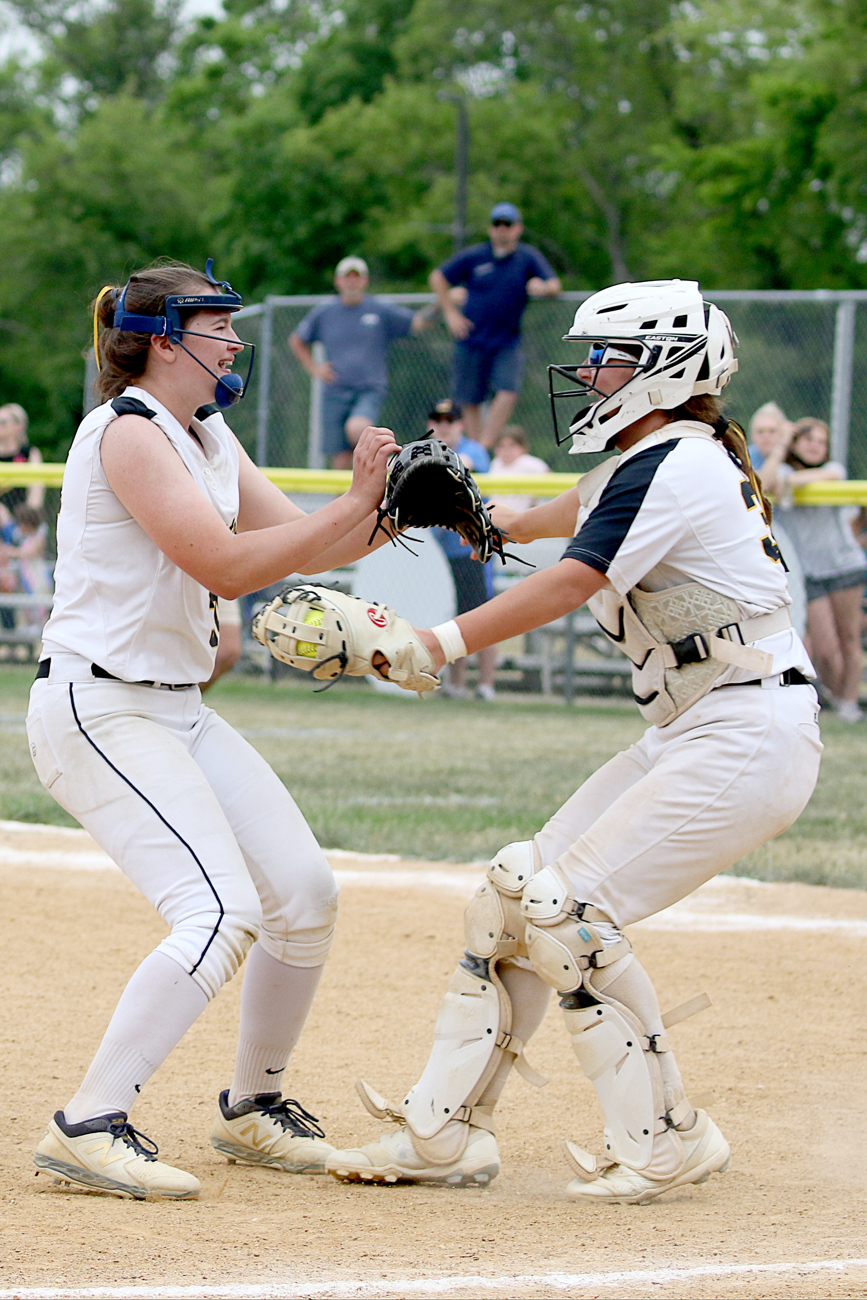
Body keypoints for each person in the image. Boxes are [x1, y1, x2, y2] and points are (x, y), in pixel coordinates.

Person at [325, 279, 822, 1203]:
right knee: (507, 904)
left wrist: (435, 642)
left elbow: (567, 579)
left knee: (566, 914)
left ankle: (667, 1137)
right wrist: (464, 512)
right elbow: (533, 524)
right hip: (697, 724)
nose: (589, 373)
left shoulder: (673, 462)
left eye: (612, 358)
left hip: (747, 728)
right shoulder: (651, 455)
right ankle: (442, 1134)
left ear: (668, 370)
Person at [28, 258, 401, 1200]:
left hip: (177, 709)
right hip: (99, 707)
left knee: (305, 894)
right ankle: (91, 1120)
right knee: (220, 910)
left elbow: (315, 539)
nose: (235, 340)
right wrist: (354, 507)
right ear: (161, 340)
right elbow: (227, 568)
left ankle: (255, 1107)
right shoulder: (128, 430)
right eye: (215, 324)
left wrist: (399, 513)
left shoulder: (206, 433)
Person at [429, 202, 561, 450]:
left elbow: (554, 284)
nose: (502, 229)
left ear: (518, 228)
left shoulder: (527, 257)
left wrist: (542, 288)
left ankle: (483, 448)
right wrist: (450, 313)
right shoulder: (475, 255)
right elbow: (438, 277)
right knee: (469, 399)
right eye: (497, 224)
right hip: (471, 337)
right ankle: (477, 453)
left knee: (508, 391)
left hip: (506, 339)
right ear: (490, 228)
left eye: (507, 224)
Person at [759, 416, 866, 721]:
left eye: (821, 442)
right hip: (809, 572)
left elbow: (831, 476)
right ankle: (832, 694)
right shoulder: (780, 471)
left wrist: (790, 483)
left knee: (849, 638)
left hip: (843, 565)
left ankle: (849, 703)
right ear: (795, 443)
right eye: (809, 440)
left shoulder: (833, 470)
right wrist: (780, 445)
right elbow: (763, 483)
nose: (816, 446)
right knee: (823, 645)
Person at [290, 256, 432, 470]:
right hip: (335, 391)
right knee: (340, 459)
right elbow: (297, 340)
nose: (352, 282)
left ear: (365, 281)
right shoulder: (325, 312)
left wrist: (443, 302)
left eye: (357, 277)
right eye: (347, 277)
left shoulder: (379, 310)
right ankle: (346, 501)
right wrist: (315, 369)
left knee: (358, 429)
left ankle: (386, 474)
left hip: (368, 389)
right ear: (338, 281)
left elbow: (418, 323)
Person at [427, 399, 498, 701]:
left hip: (468, 551)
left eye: (449, 420)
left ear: (460, 425)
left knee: (482, 617)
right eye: (438, 420)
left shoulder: (472, 450)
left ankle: (486, 685)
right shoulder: (425, 451)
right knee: (450, 621)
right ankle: (456, 685)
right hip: (438, 554)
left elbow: (463, 465)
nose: (443, 425)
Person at [487, 425, 550, 513]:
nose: (506, 450)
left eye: (512, 445)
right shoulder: (496, 463)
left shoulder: (529, 463)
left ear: (523, 447)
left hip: (522, 516)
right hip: (498, 515)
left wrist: (534, 504)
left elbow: (549, 478)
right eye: (501, 446)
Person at [0, 402, 44, 511]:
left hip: (22, 517)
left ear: (19, 426)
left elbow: (36, 490)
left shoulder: (30, 453)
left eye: (3, 422)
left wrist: (29, 516)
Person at [747, 401, 791, 470]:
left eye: (772, 431)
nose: (766, 436)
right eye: (760, 432)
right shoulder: (745, 457)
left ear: (783, 433)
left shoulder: (792, 458)